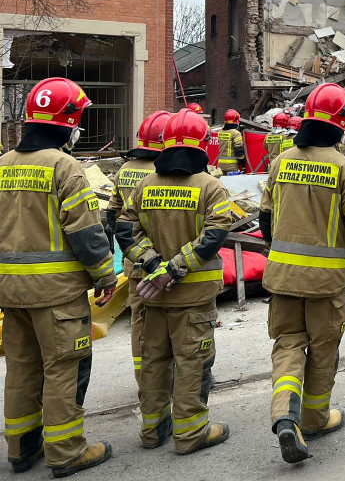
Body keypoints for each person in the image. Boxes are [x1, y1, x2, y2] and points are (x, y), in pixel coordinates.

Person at [0, 78, 117, 477]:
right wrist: (105, 277)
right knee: (64, 367)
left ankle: (21, 449)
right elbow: (86, 232)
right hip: (57, 295)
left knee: (21, 367)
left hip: (9, 292)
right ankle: (66, 451)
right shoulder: (64, 166)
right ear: (67, 122)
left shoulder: (2, 165)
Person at [259, 84, 345, 463]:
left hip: (282, 278)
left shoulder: (282, 161)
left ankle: (283, 416)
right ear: (341, 124)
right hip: (325, 284)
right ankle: (314, 419)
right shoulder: (343, 168)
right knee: (323, 350)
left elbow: (265, 219)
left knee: (288, 346)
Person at [123, 109, 233, 455]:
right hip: (193, 298)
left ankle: (152, 431)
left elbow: (125, 230)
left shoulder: (144, 186)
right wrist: (174, 268)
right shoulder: (211, 187)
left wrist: (154, 267)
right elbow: (214, 234)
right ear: (202, 145)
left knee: (154, 361)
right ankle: (191, 434)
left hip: (152, 296)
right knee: (192, 364)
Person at [108, 110, 172, 391]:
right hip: (166, 262)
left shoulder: (125, 169)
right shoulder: (166, 171)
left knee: (140, 321)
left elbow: (112, 215)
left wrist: (128, 252)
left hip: (135, 261)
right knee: (172, 321)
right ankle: (174, 378)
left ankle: (143, 380)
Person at [216, 109, 245, 174]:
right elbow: (239, 150)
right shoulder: (236, 134)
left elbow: (228, 134)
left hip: (220, 165)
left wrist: (237, 129)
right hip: (232, 166)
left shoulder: (220, 132)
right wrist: (243, 165)